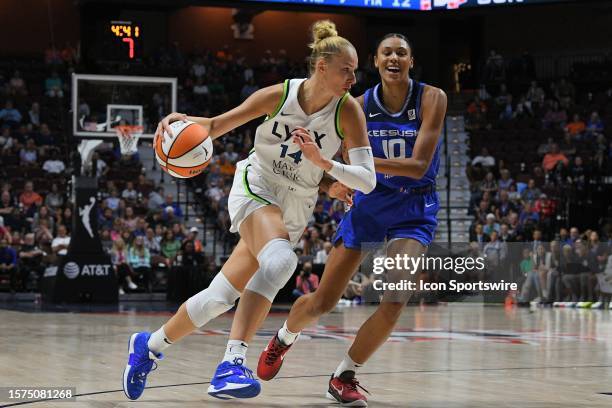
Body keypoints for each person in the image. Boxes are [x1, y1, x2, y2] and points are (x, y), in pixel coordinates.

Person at [122, 20, 374, 401]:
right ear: (322, 66)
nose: (353, 77)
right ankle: (231, 365)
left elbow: (367, 180)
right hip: (256, 187)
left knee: (218, 297)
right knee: (280, 262)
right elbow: (215, 124)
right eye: (347, 69)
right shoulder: (278, 96)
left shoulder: (349, 112)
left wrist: (327, 171)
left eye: (355, 71)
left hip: (296, 205)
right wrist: (182, 123)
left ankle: (148, 346)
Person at [258, 33, 446, 406]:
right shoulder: (355, 106)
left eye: (402, 53)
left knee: (395, 297)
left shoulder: (431, 97)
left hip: (413, 210)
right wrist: (335, 179)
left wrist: (353, 168)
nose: (394, 58)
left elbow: (419, 164)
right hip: (369, 205)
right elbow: (331, 163)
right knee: (322, 302)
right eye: (386, 53)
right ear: (375, 62)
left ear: (411, 60)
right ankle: (283, 338)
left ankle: (345, 374)